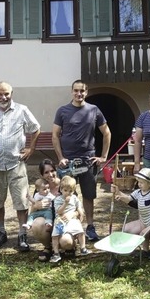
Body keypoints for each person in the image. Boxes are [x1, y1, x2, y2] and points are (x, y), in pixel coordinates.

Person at [0, 81, 41, 252]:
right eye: (0, 94)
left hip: (16, 164)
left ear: (12, 93)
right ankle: (1, 231)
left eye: (7, 94)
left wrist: (31, 148)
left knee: (21, 201)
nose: (4, 97)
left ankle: (22, 234)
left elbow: (36, 128)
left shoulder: (22, 110)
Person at [52, 79, 111, 242]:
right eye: (76, 91)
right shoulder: (62, 111)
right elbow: (55, 135)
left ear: (86, 92)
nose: (79, 94)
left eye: (82, 91)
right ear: (72, 92)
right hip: (68, 162)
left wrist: (103, 156)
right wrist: (60, 157)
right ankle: (69, 227)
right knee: (66, 194)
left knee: (88, 195)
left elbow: (106, 133)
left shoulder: (94, 110)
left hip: (87, 161)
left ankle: (90, 227)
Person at [29, 159, 76, 261]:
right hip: (50, 222)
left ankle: (69, 246)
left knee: (66, 242)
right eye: (46, 172)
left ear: (56, 170)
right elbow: (32, 212)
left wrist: (71, 214)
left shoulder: (65, 185)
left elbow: (79, 209)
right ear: (42, 175)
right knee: (36, 224)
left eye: (52, 171)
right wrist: (36, 206)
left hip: (65, 222)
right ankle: (48, 247)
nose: (50, 174)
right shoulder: (40, 189)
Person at [112, 168, 150, 260]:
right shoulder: (137, 193)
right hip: (143, 218)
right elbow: (129, 199)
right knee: (144, 235)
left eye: (142, 183)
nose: (139, 184)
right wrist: (120, 196)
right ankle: (145, 250)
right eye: (138, 182)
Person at [49, 176, 91, 263]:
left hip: (72, 219)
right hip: (60, 220)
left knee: (81, 232)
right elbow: (59, 212)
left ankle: (83, 248)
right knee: (55, 236)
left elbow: (78, 206)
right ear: (61, 189)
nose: (68, 193)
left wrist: (81, 213)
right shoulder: (58, 200)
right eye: (65, 190)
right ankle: (56, 253)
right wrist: (65, 203)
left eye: (70, 191)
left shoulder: (74, 198)